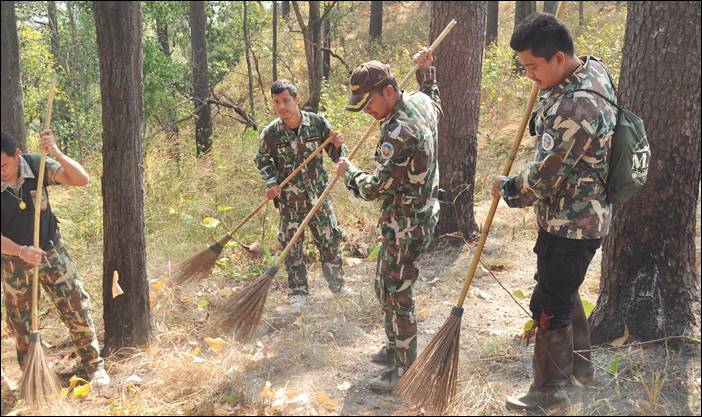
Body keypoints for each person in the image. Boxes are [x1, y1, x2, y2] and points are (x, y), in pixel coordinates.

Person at [492, 13, 617, 410]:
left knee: (548, 303)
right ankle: (580, 368)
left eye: (533, 67)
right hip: (580, 217)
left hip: (572, 224)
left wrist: (507, 187)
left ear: (559, 57)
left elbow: (542, 180)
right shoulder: (591, 70)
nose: (529, 75)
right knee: (564, 290)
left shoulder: (575, 107)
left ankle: (548, 393)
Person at [336, 48, 442, 391]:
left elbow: (372, 189)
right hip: (413, 216)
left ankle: (404, 370)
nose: (367, 111)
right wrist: (428, 73)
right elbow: (435, 105)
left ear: (389, 92)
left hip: (407, 224)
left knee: (397, 294)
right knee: (384, 286)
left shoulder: (398, 132)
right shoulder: (419, 104)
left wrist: (348, 171)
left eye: (370, 103)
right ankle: (396, 344)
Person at [1, 130, 110, 386]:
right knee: (22, 323)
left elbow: (81, 179)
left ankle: (94, 367)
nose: (0, 172)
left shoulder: (36, 164)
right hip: (15, 261)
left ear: (17, 155)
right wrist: (20, 251)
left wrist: (57, 153)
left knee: (76, 305)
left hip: (52, 251)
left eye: (3, 165)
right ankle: (34, 378)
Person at [255, 80, 355, 311]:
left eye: (286, 101)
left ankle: (338, 286)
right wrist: (271, 184)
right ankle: (298, 292)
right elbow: (262, 161)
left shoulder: (317, 124)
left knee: (330, 240)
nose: (282, 107)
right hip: (290, 201)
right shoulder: (270, 133)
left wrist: (338, 146)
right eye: (276, 102)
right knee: (292, 247)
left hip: (319, 196)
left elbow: (336, 155)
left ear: (297, 99)